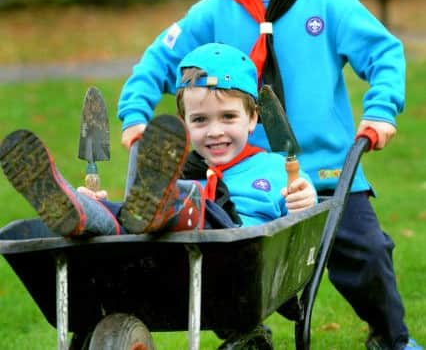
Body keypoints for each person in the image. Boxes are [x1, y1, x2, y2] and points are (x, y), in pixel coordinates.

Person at [116, 0, 422, 349]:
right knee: (227, 254)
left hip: (327, 169)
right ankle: (246, 332)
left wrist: (381, 110)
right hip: (245, 173)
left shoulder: (330, 4)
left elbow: (384, 52)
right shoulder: (213, 13)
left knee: (368, 254)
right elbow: (158, 61)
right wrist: (135, 114)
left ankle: (391, 338)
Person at [0, 43, 316, 240]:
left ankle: (166, 205)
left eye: (228, 117)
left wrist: (305, 198)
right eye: (200, 120)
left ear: (253, 119)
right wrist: (102, 205)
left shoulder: (276, 169)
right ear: (185, 125)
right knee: (122, 216)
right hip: (166, 257)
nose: (214, 131)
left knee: (188, 198)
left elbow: (302, 221)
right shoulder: (177, 168)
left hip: (235, 244)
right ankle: (81, 209)